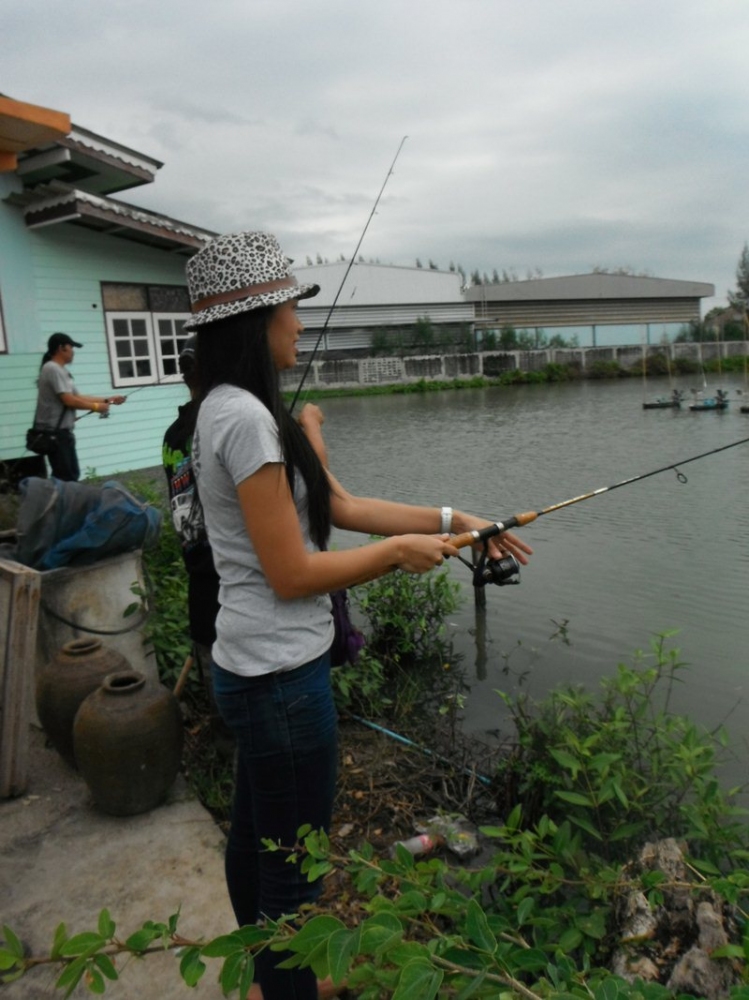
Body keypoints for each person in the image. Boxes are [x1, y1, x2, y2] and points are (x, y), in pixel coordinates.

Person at [184, 231, 533, 1000]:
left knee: (254, 842)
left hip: (256, 669)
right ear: (255, 319)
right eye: (288, 309)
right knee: (293, 881)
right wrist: (396, 554)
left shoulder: (234, 408)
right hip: (279, 681)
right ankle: (286, 986)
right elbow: (292, 571)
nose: (299, 325)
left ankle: (262, 978)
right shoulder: (242, 418)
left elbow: (338, 506)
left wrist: (456, 519)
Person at [32, 332, 126, 481]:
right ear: (61, 348)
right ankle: (61, 504)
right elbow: (69, 400)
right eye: (71, 347)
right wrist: (96, 407)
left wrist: (108, 400)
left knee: (71, 475)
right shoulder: (52, 369)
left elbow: (78, 397)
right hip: (55, 435)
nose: (73, 352)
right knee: (66, 478)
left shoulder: (61, 371)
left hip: (62, 434)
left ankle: (63, 502)